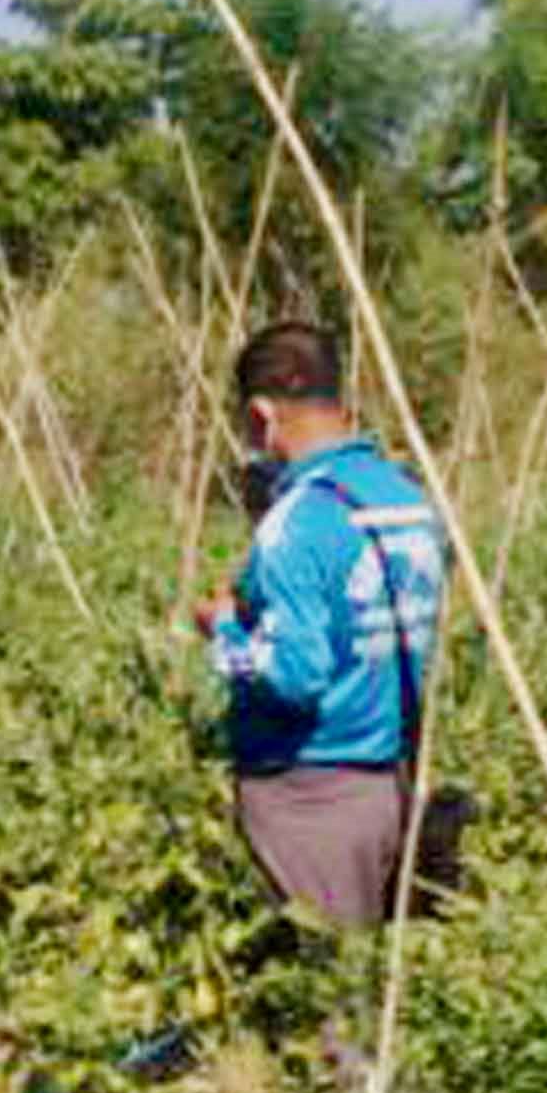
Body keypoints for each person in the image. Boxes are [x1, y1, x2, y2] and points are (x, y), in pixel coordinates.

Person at [195, 321, 451, 927]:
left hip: (310, 791)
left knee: (325, 971)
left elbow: (295, 675)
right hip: (388, 776)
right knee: (363, 958)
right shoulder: (407, 498)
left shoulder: (300, 519)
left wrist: (225, 630)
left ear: (262, 415)